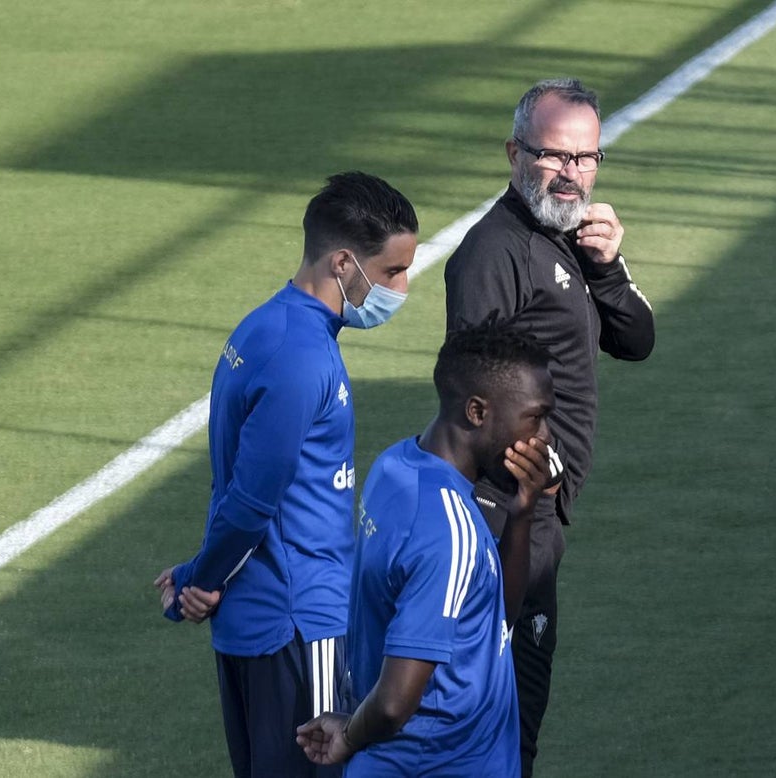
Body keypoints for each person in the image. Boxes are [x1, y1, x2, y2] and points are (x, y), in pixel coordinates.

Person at [154, 171, 419, 778]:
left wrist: (204, 574)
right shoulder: (303, 356)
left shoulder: (263, 326)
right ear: (344, 263)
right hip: (300, 624)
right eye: (392, 273)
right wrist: (198, 580)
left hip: (257, 621)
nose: (402, 289)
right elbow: (251, 501)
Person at [442, 77, 656, 775]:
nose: (571, 174)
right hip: (505, 519)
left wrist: (609, 267)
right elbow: (471, 391)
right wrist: (544, 470)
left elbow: (636, 339)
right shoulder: (492, 252)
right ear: (513, 152)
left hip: (537, 519)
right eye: (553, 156)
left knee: (518, 723)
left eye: (586, 158)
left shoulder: (570, 239)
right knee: (504, 725)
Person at [295, 322, 556, 776]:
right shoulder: (446, 528)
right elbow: (396, 703)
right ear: (477, 411)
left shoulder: (395, 466)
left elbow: (494, 621)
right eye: (535, 417)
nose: (545, 436)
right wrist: (350, 735)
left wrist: (521, 514)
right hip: (438, 764)